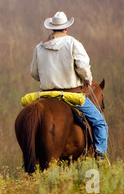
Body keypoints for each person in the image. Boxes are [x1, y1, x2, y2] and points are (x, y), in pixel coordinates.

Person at [30, 11, 109, 161]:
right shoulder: (73, 43)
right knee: (100, 123)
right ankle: (100, 157)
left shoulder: (39, 47)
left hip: (46, 95)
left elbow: (34, 73)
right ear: (66, 28)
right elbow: (84, 68)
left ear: (52, 28)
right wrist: (87, 79)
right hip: (72, 95)